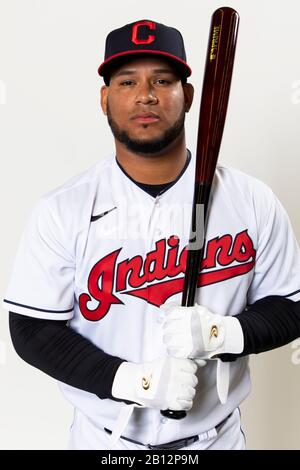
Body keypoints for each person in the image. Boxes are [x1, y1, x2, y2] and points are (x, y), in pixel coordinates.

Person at [3, 19, 300, 451]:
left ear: (190, 96)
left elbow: (290, 305)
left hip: (215, 441)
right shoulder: (62, 209)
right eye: (127, 82)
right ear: (105, 99)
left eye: (163, 80)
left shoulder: (250, 200)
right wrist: (130, 379)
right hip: (105, 443)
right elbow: (31, 329)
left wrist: (224, 334)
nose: (146, 95)